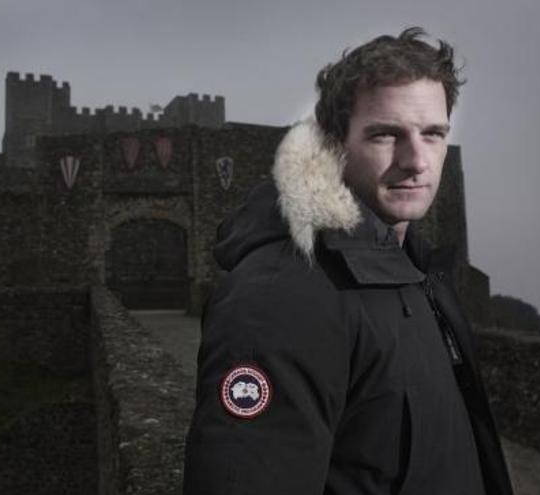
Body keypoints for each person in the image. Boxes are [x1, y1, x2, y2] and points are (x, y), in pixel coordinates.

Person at [183, 27, 514, 494]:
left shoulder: (417, 272)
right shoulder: (278, 298)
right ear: (334, 144)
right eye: (385, 135)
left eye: (434, 134)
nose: (417, 160)